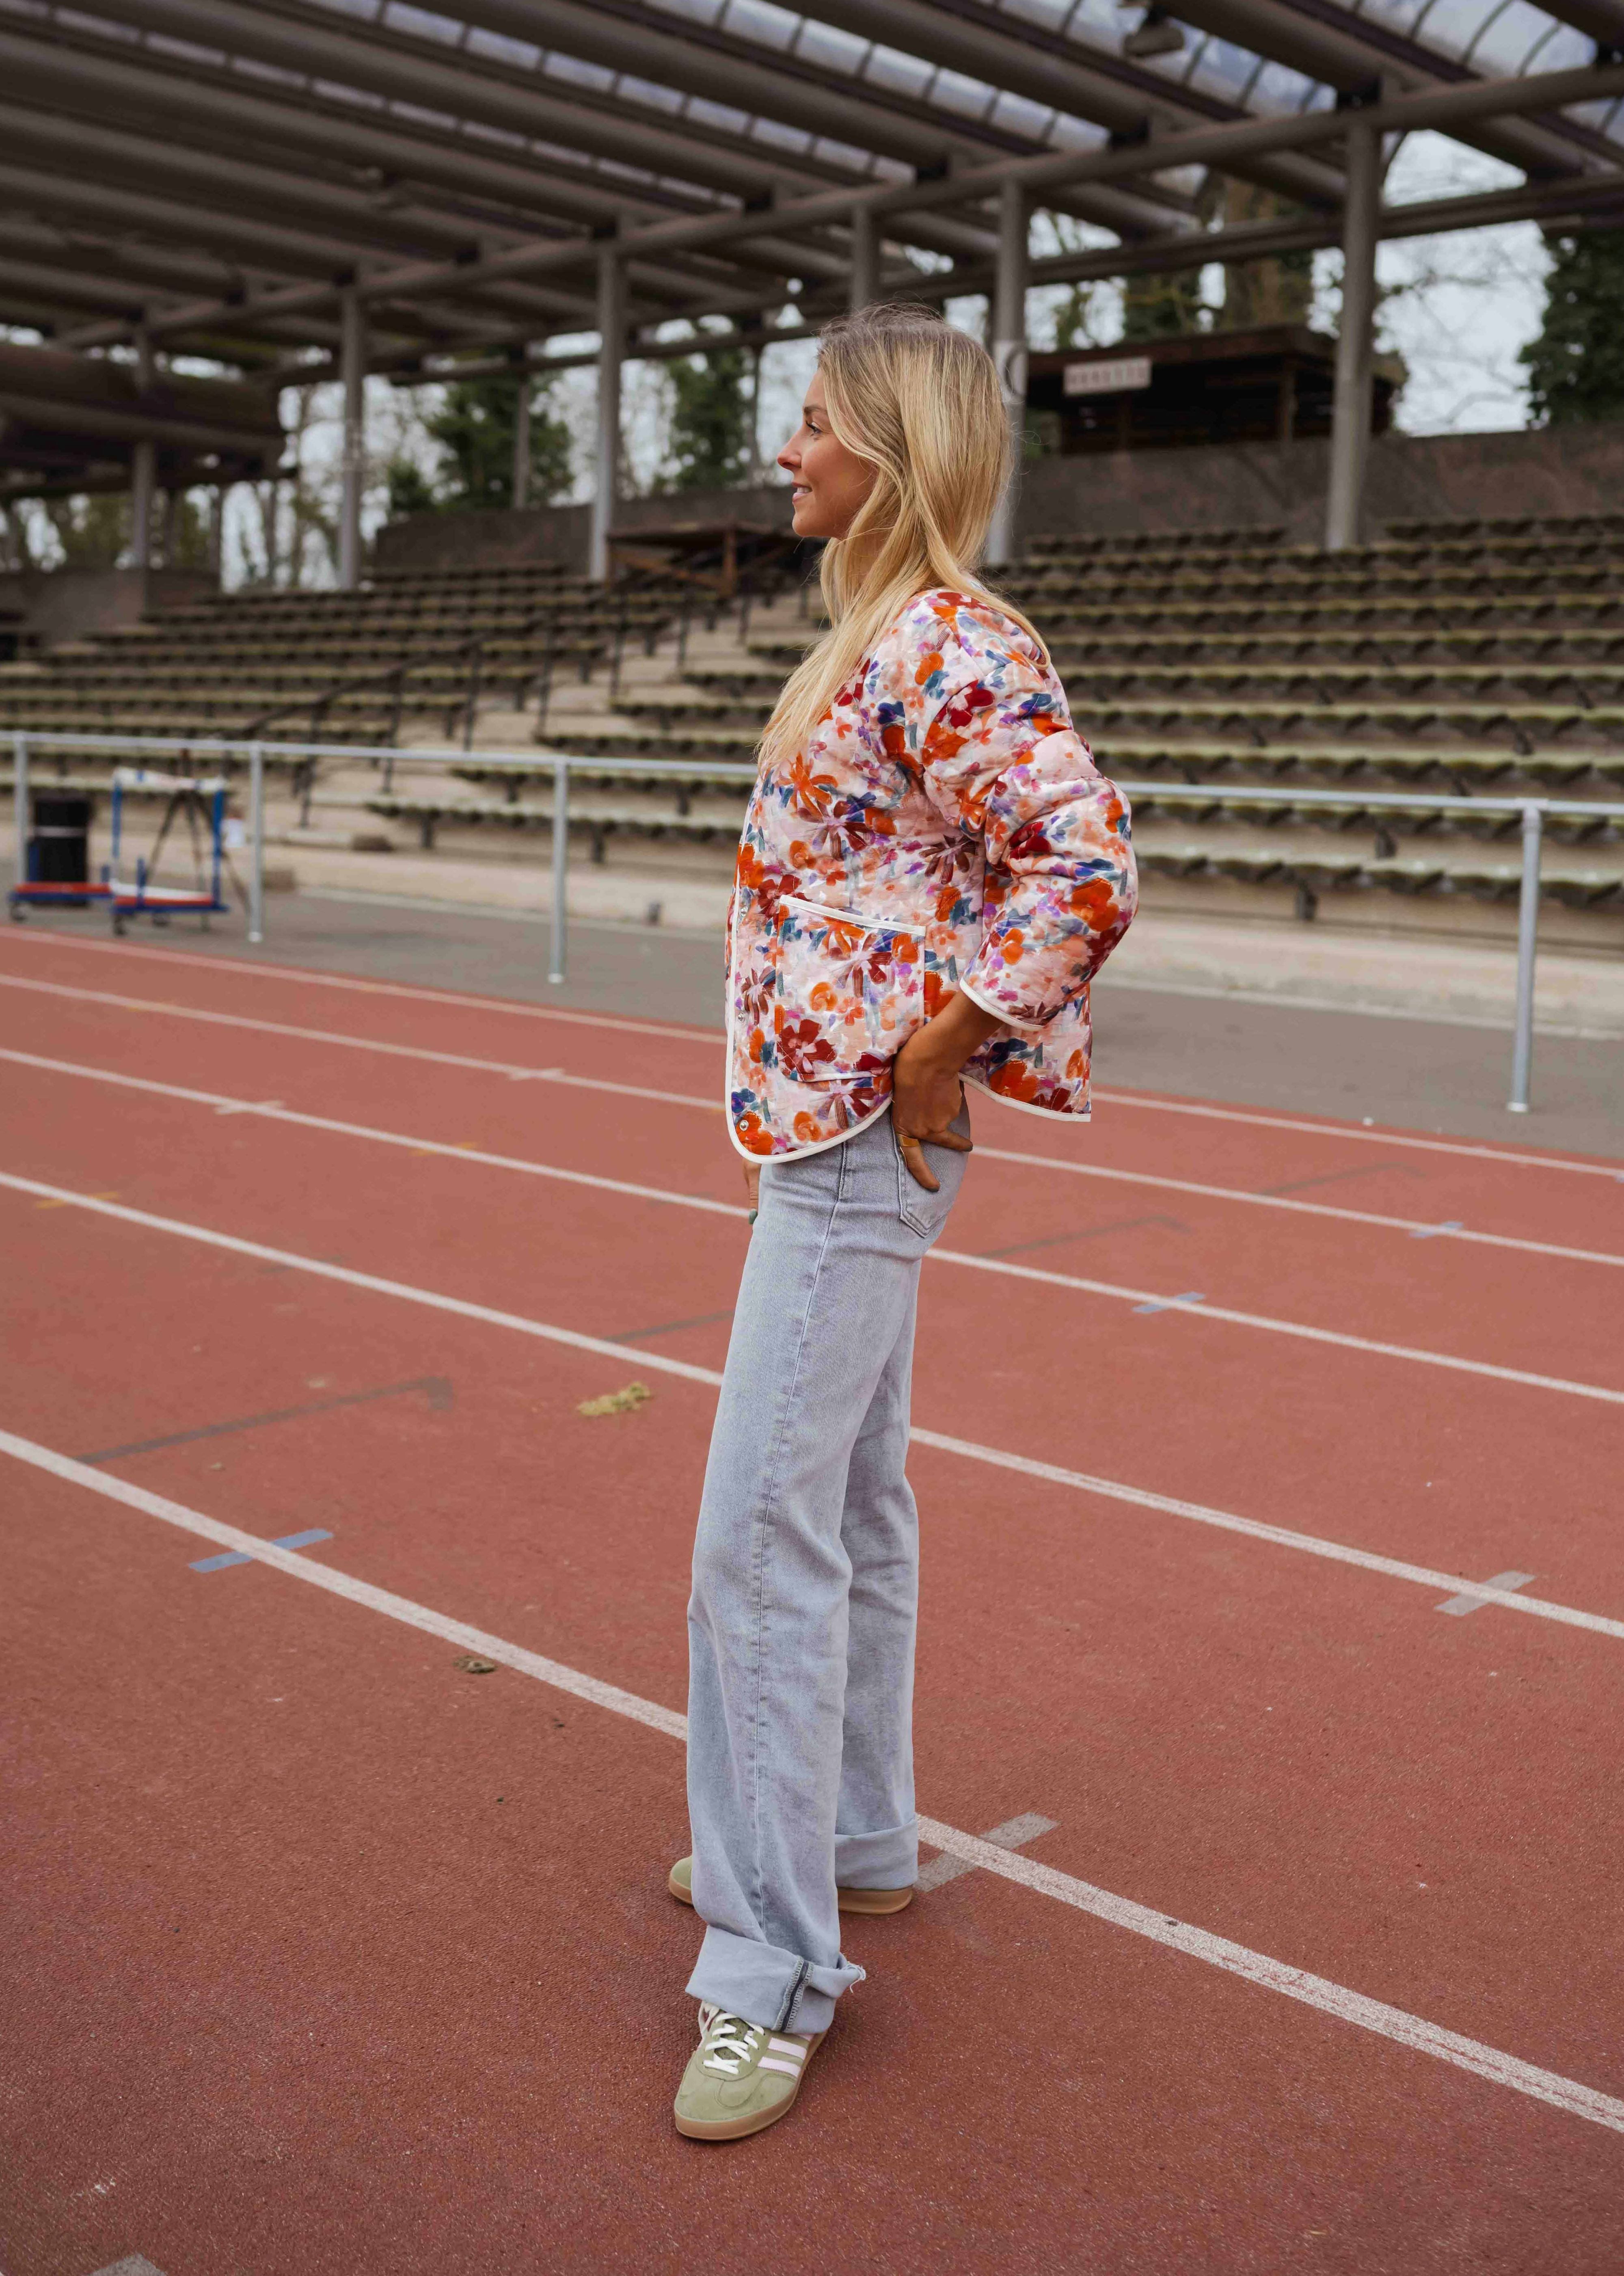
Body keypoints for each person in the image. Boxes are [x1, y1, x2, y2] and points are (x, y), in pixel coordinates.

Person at [668, 304, 1137, 2142]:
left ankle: (765, 1969)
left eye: (810, 425)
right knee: (849, 1500)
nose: (786, 453)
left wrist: (947, 1042)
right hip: (834, 1121)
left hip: (864, 1128)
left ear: (892, 448)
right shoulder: (881, 633)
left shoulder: (946, 638)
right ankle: (851, 1842)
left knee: (756, 1539)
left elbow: (1085, 864)